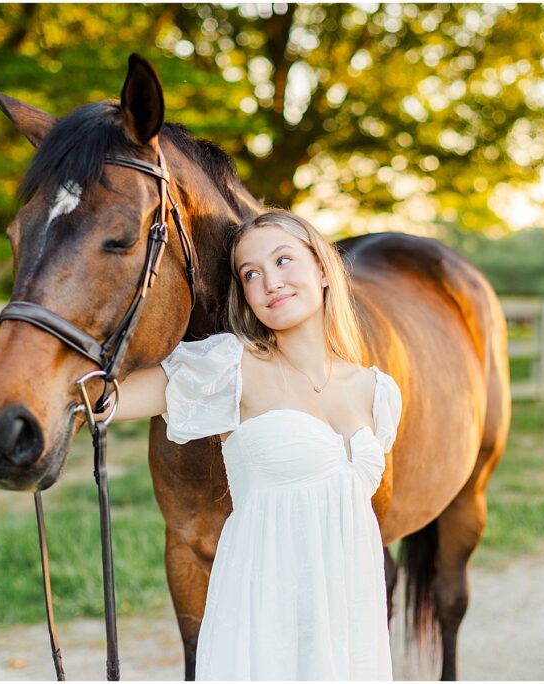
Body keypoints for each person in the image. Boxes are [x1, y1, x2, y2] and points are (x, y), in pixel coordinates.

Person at [114, 209, 402, 679]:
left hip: (349, 619)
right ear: (245, 294)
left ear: (323, 269)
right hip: (263, 613)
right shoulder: (230, 368)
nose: (271, 281)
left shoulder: (378, 392)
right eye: (252, 273)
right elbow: (108, 399)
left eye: (284, 260)